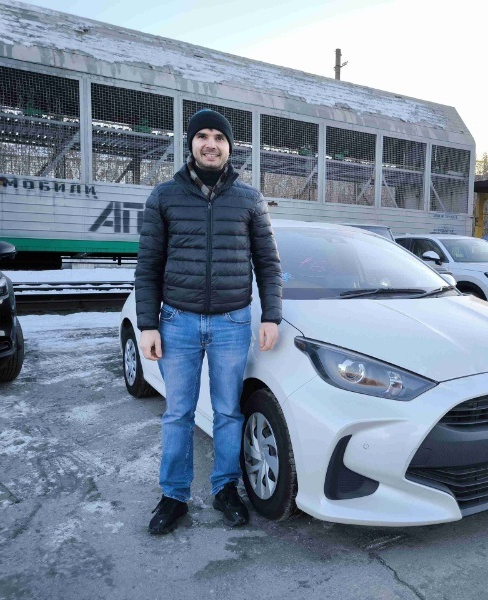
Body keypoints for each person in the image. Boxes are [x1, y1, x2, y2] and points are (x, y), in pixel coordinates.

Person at [134, 109, 282, 535]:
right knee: (177, 413)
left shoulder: (249, 199)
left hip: (232, 323)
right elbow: (148, 265)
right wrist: (148, 324)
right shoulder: (164, 196)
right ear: (191, 144)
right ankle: (174, 496)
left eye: (219, 137)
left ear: (230, 147)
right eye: (202, 136)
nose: (211, 144)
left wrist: (271, 316)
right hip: (177, 322)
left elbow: (268, 264)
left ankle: (225, 489)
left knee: (228, 412)